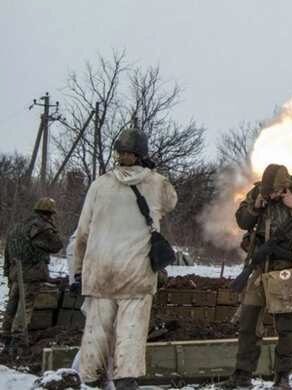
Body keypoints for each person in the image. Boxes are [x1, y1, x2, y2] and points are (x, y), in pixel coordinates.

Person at [73, 127, 177, 390]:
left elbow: (82, 233)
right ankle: (125, 380)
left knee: (97, 331)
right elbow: (171, 202)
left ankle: (91, 379)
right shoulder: (157, 183)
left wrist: (77, 271)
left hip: (99, 270)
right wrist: (151, 172)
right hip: (135, 272)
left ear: (118, 153)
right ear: (142, 153)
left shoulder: (100, 184)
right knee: (130, 330)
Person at [224, 164, 292, 390]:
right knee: (248, 324)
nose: (270, 196)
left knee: (287, 329)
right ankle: (242, 375)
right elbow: (242, 221)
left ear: (285, 187)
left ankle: (282, 377)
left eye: (274, 193)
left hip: (289, 269)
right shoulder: (257, 193)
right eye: (267, 192)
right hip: (260, 268)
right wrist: (256, 207)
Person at [2, 197, 63, 355]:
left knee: (12, 304)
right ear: (50, 213)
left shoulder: (18, 225)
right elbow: (57, 245)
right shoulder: (42, 227)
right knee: (25, 306)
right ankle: (18, 339)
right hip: (32, 273)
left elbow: (7, 252)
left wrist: (7, 273)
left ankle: (5, 335)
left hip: (16, 272)